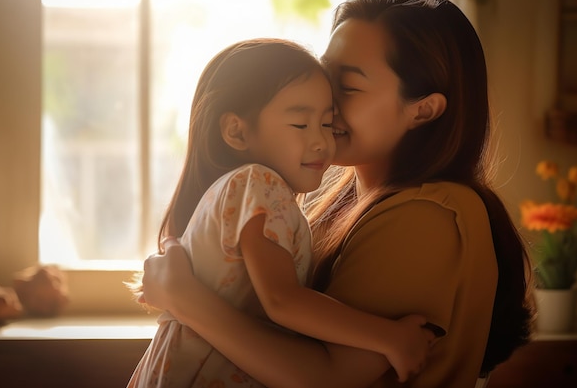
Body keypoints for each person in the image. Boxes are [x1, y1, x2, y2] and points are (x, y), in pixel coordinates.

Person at [139, 0, 535, 388]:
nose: (324, 99)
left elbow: (328, 378)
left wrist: (183, 299)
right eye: (325, 75)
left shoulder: (425, 215)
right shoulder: (333, 198)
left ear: (423, 110)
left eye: (347, 86)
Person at [127, 38, 437, 388]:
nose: (322, 141)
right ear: (237, 131)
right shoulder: (259, 182)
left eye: (326, 123)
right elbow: (282, 300)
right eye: (301, 126)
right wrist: (389, 337)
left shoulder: (246, 192)